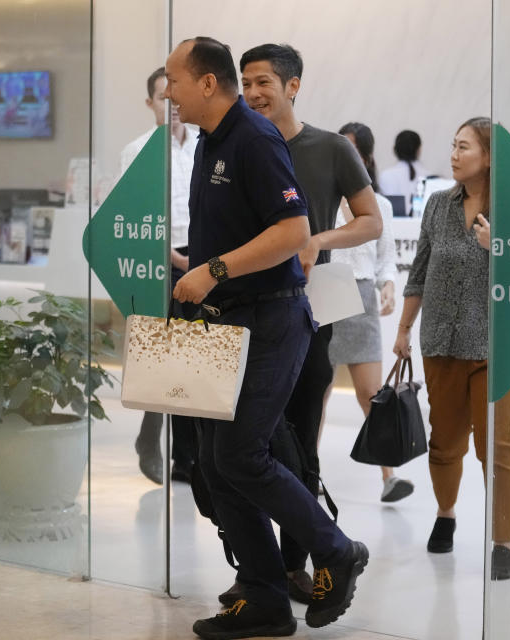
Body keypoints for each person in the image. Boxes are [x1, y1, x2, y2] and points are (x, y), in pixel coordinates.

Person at [165, 37, 369, 639]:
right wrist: (192, 267)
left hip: (270, 320)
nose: (168, 92)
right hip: (221, 321)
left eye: (174, 80)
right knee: (212, 459)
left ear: (206, 83)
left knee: (240, 454)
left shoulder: (255, 139)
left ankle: (336, 550)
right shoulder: (210, 142)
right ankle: (264, 598)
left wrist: (215, 270)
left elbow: (293, 231)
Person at [238, 43, 382, 603]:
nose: (253, 93)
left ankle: (295, 563)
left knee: (300, 436)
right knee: (247, 444)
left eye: (264, 82)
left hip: (308, 309)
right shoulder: (239, 146)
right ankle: (257, 568)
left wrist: (318, 238)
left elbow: (369, 221)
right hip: (244, 312)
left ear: (293, 86)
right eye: (246, 83)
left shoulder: (328, 149)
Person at [392, 117, 510, 580]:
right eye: (452, 145)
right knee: (444, 441)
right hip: (441, 342)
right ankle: (445, 513)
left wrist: (498, 247)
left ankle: (502, 541)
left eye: (464, 147)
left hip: (494, 346)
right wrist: (404, 328)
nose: (454, 154)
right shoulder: (436, 206)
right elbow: (419, 272)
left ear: (488, 157)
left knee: (497, 446)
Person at [325, 121, 412, 503]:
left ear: (366, 157)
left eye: (353, 151)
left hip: (360, 297)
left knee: (371, 394)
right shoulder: (321, 197)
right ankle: (308, 474)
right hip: (326, 292)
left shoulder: (381, 205)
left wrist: (388, 285)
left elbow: (386, 258)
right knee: (317, 393)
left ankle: (388, 477)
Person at [120, 67, 198, 485]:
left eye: (175, 96)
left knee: (192, 357)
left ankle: (186, 457)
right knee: (161, 355)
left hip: (201, 259)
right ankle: (149, 440)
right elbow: (131, 218)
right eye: (161, 98)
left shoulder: (201, 147)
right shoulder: (139, 151)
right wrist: (173, 258)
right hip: (160, 261)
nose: (171, 106)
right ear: (150, 103)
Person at [378, 130, 428, 215]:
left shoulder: (385, 176)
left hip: (394, 225)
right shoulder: (429, 177)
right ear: (419, 150)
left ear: (395, 150)